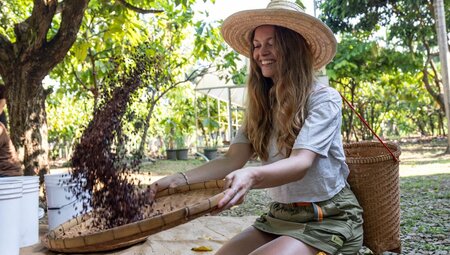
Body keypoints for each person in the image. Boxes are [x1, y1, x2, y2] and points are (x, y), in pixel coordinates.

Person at [150, 1, 363, 254]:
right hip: (281, 215)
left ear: (293, 46)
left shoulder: (323, 98)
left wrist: (251, 176)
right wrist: (179, 179)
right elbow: (231, 160)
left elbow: (300, 164)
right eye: (257, 45)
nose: (261, 52)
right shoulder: (262, 104)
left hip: (327, 216)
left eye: (272, 43)